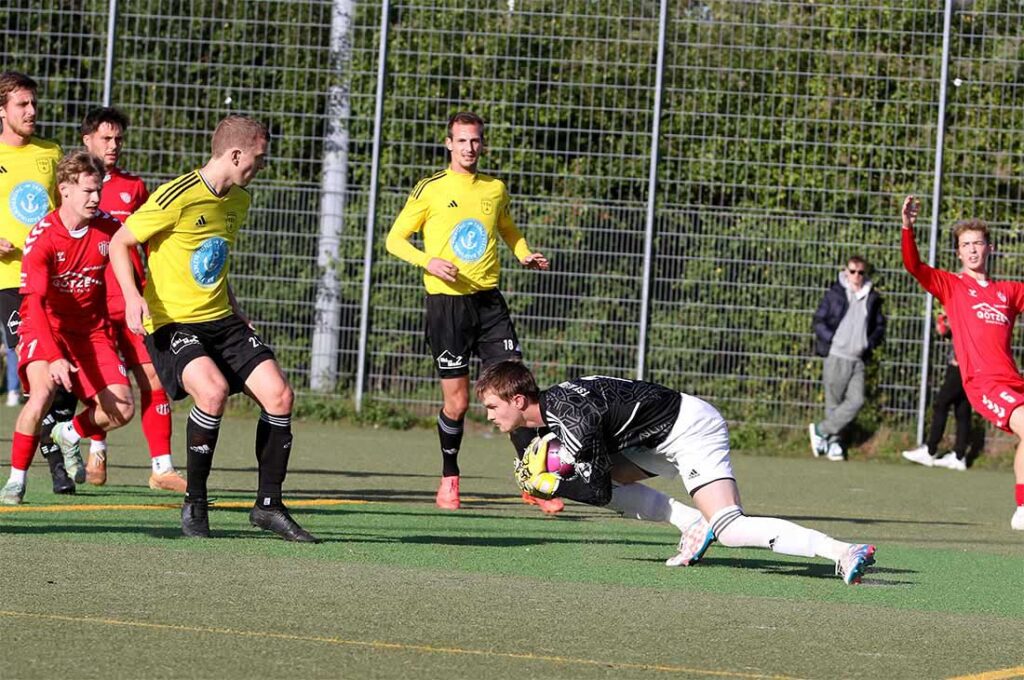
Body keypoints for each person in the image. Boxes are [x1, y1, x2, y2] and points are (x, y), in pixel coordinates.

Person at [475, 360, 878, 585]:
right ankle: (691, 525)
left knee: (731, 529)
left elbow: (595, 492)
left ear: (519, 399)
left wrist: (554, 486)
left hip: (690, 429)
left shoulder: (574, 420)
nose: (490, 416)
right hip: (659, 435)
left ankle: (842, 552)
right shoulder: (558, 402)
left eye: (493, 407)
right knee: (613, 479)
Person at [109, 115, 317, 542]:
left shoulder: (239, 200)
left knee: (280, 395)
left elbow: (212, 260)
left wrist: (237, 309)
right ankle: (195, 503)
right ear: (235, 153)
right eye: (257, 158)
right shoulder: (176, 195)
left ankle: (268, 507)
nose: (261, 166)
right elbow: (120, 242)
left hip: (222, 319)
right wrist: (133, 297)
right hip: (173, 321)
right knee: (213, 391)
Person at [385, 111, 558, 513]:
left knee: (518, 392)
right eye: (462, 141)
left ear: (483, 144)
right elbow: (394, 239)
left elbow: (507, 228)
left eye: (476, 141)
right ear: (449, 144)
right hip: (447, 306)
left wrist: (523, 253)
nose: (469, 148)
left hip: (489, 302)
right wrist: (428, 261)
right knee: (458, 403)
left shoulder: (494, 188)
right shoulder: (430, 188)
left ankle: (532, 481)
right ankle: (449, 479)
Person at [0, 151, 134, 504]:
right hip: (46, 327)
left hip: (92, 331)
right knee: (42, 393)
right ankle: (16, 480)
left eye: (98, 190)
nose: (96, 198)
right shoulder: (43, 237)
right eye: (88, 191)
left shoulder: (110, 229)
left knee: (122, 410)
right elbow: (36, 306)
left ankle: (69, 432)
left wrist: (135, 302)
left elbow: (129, 267)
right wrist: (55, 356)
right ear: (65, 190)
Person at [901, 195, 1024, 530]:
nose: (972, 249)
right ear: (958, 252)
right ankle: (1022, 510)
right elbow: (914, 266)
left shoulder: (1009, 291)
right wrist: (908, 227)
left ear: (990, 248)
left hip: (1014, 380)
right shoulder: (952, 286)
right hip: (983, 382)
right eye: (965, 244)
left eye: (978, 243)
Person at [79, 106, 184, 492]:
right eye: (105, 138)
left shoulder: (134, 187)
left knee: (153, 376)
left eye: (118, 139)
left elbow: (149, 241)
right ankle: (96, 448)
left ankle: (162, 467)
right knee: (103, 383)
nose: (113, 145)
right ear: (86, 139)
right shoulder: (69, 187)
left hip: (130, 301)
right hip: (89, 303)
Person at [0, 71, 74, 493]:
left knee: (62, 379)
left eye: (33, 104)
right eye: (21, 105)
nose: (31, 111)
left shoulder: (50, 152)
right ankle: (49, 463)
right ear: (3, 110)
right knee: (37, 375)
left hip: (54, 281)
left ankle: (56, 447)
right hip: (10, 282)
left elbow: (63, 209)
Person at [809, 255, 885, 460]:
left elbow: (878, 325)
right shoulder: (835, 294)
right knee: (834, 403)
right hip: (837, 356)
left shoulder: (872, 297)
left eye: (860, 272)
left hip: (858, 358)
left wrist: (869, 343)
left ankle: (821, 430)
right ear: (846, 272)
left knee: (857, 400)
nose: (856, 276)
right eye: (852, 272)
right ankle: (834, 444)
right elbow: (819, 320)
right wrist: (832, 340)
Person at [901, 310, 971, 471]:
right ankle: (959, 456)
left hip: (961, 365)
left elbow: (966, 330)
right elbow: (950, 333)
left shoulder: (969, 304)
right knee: (962, 408)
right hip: (966, 365)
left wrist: (950, 322)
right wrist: (946, 326)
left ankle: (930, 449)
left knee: (941, 404)